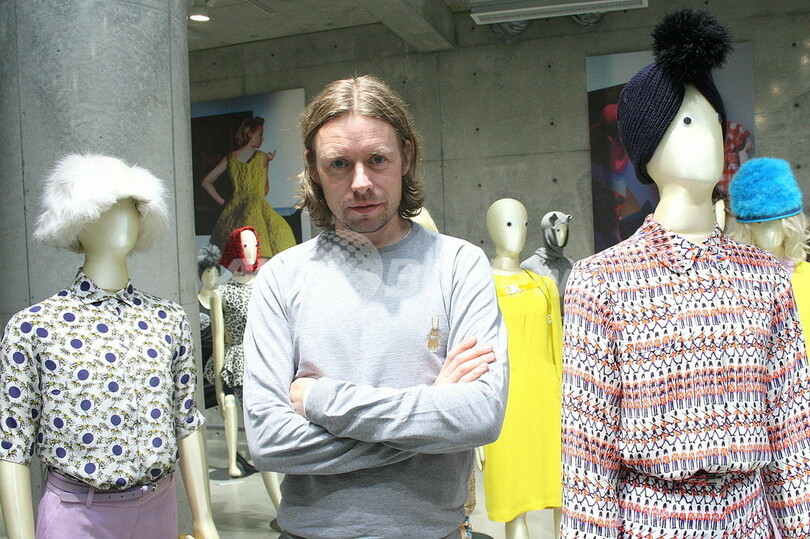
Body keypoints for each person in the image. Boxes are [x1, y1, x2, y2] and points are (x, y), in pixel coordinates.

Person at [561, 9, 810, 538]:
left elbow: (792, 432)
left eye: (714, 121)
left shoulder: (767, 278)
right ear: (647, 145)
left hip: (751, 518)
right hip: (653, 520)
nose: (709, 137)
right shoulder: (600, 282)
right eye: (688, 122)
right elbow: (588, 456)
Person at [242, 74, 508, 539]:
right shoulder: (282, 278)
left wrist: (321, 400)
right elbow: (268, 442)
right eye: (339, 164)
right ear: (313, 168)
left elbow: (479, 416)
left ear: (406, 156)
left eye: (377, 160)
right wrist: (430, 414)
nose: (360, 182)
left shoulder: (458, 265)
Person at [0, 154, 217, 539]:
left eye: (132, 207)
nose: (124, 218)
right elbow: (12, 444)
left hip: (158, 510)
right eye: (106, 207)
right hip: (76, 517)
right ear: (76, 219)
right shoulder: (34, 327)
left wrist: (204, 519)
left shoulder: (168, 319)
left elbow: (186, 420)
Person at [484, 199, 562, 539]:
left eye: (521, 223)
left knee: (563, 496)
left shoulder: (544, 285)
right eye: (507, 223)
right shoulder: (479, 286)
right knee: (514, 504)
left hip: (549, 402)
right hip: (504, 404)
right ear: (491, 228)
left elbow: (558, 349)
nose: (515, 232)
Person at [728, 157, 810, 346]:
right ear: (747, 227)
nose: (770, 230)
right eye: (760, 222)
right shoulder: (732, 283)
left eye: (777, 221)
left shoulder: (807, 277)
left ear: (789, 223)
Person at [201, 116, 296, 255]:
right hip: (257, 210)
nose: (262, 139)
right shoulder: (263, 157)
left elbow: (206, 182)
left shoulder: (230, 158)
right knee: (274, 243)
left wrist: (224, 203)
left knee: (237, 255)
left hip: (234, 211)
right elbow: (265, 190)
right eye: (260, 134)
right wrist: (266, 161)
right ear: (250, 134)